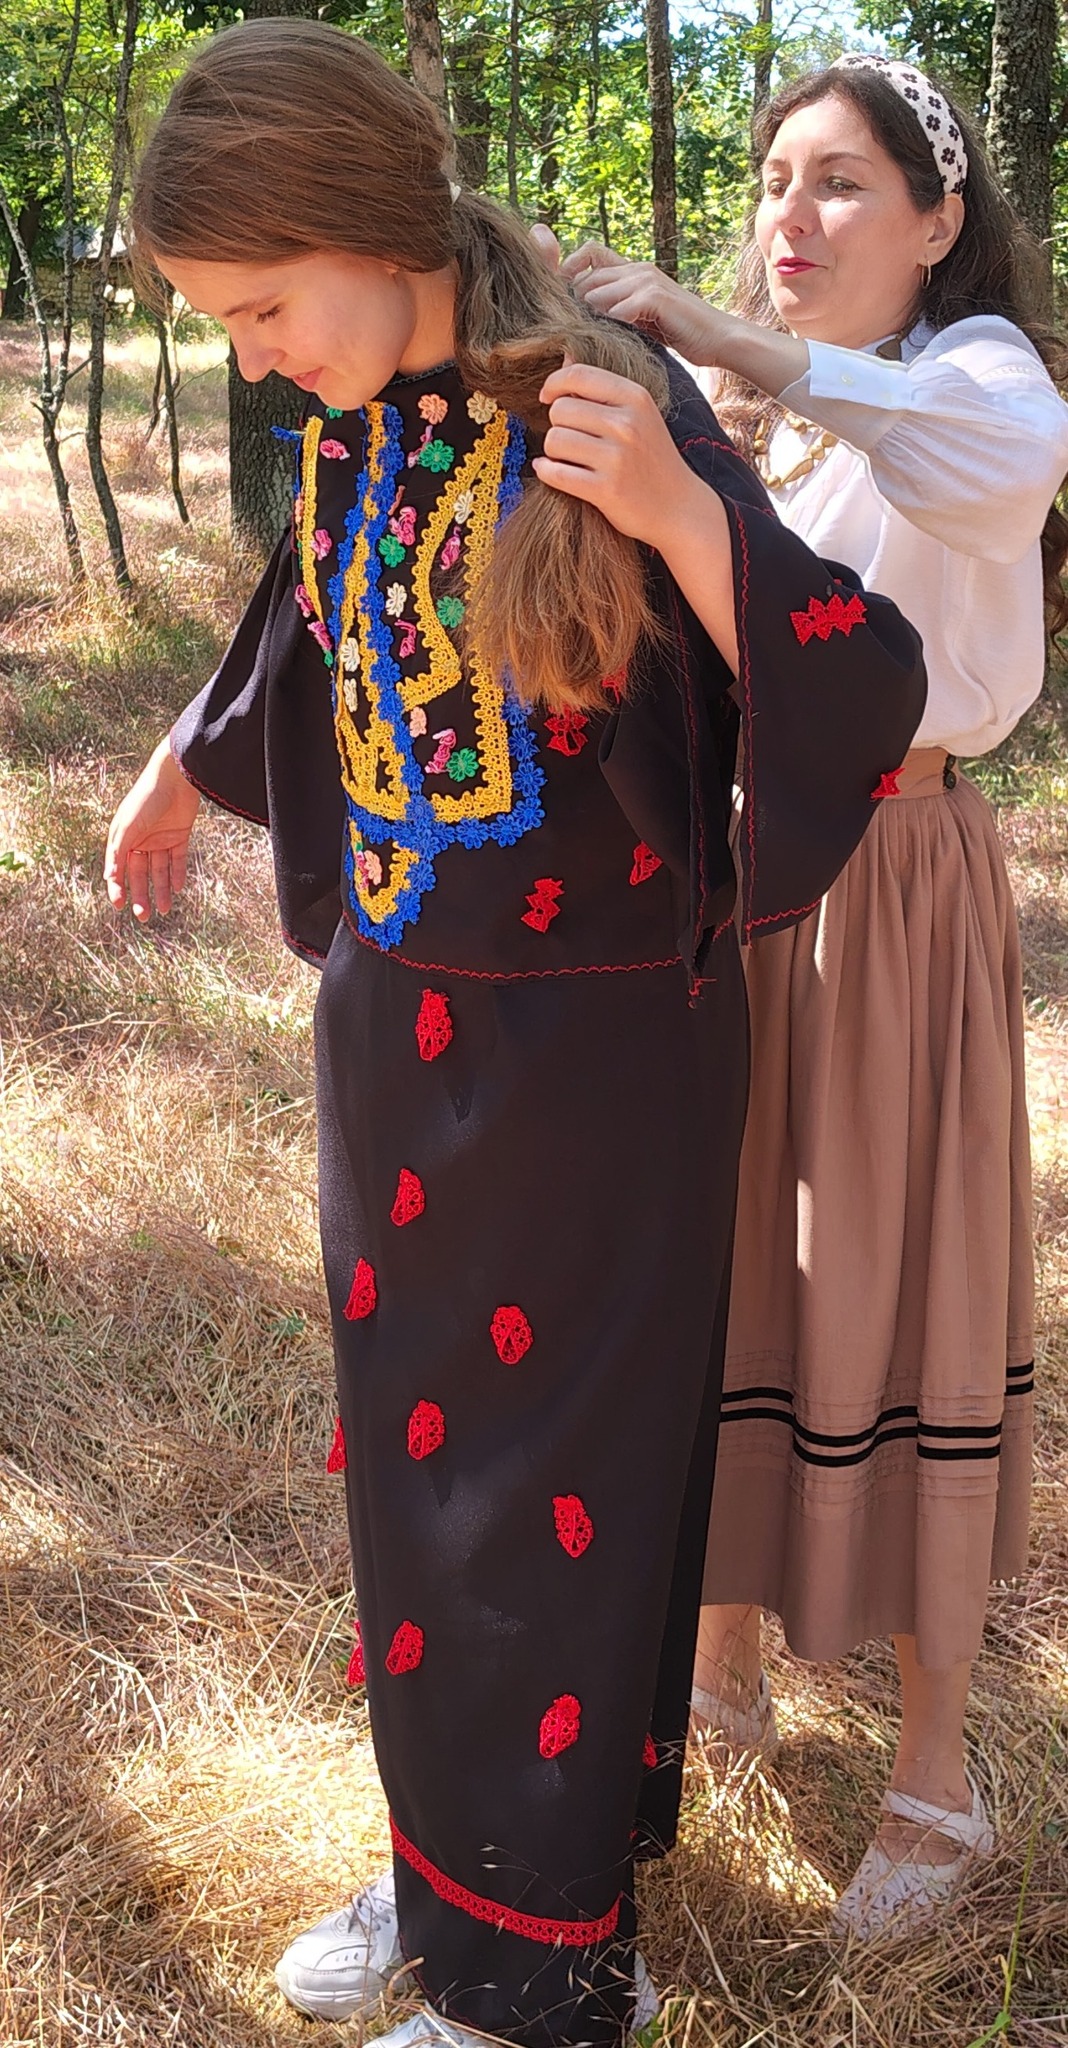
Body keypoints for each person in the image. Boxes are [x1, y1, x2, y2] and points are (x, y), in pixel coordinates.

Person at [105, 25, 924, 2042]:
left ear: (366, 224)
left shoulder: (598, 406)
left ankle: (537, 1982)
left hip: (595, 1069)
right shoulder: (358, 417)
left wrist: (685, 518)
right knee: (418, 1491)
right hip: (394, 1044)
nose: (256, 359)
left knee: (544, 1495)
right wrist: (179, 766)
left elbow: (855, 678)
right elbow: (310, 628)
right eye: (224, 327)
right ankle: (457, 1869)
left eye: (263, 308)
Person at [561, 54, 1068, 1942]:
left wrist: (719, 341)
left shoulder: (978, 379)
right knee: (733, 1271)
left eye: (842, 180)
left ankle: (938, 1779)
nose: (792, 214)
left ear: (940, 222)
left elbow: (991, 470)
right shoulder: (765, 426)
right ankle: (722, 1672)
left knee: (898, 1276)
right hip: (732, 879)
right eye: (774, 178)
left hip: (887, 879)